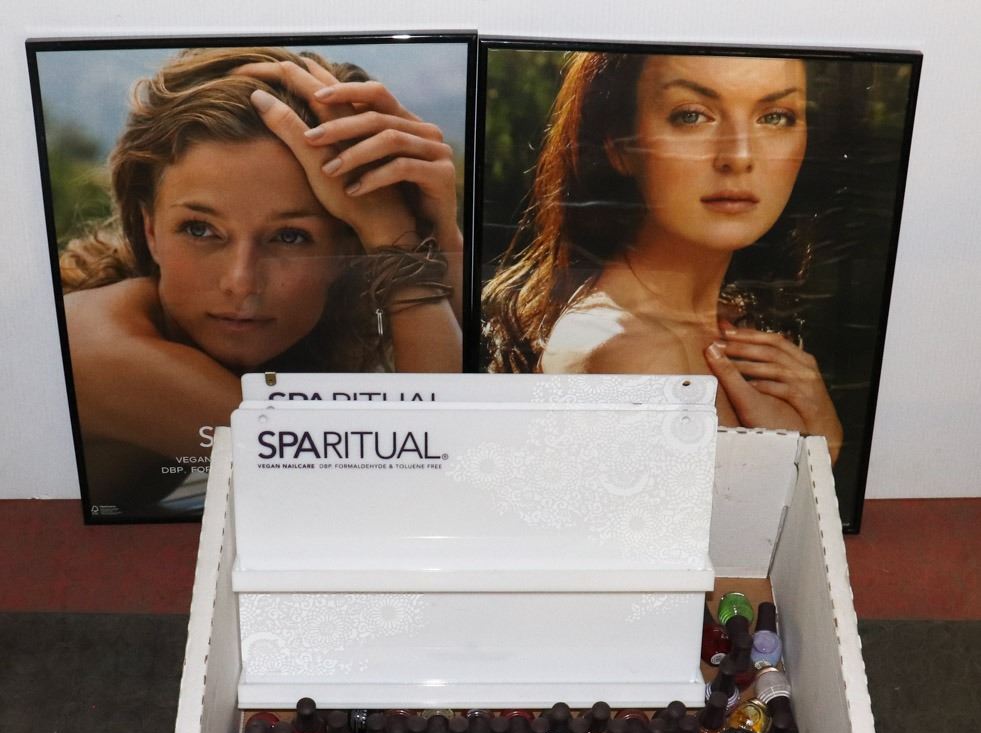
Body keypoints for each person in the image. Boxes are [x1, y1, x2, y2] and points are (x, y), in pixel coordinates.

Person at [60, 46, 463, 515]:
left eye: (290, 236)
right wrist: (399, 238)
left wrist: (442, 234)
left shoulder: (280, 350)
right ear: (151, 231)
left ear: (348, 250)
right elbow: (417, 487)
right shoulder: (105, 351)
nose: (241, 282)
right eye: (199, 229)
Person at [483, 52, 842, 462]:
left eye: (775, 117)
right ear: (618, 146)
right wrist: (816, 449)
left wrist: (816, 440)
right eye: (691, 116)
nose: (740, 156)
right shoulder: (628, 351)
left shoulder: (736, 327)